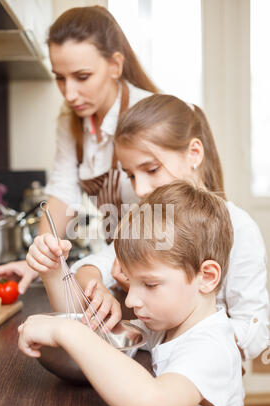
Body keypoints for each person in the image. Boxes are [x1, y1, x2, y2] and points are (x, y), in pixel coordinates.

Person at [18, 181, 244, 406]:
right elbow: (90, 330)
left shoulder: (212, 346)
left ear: (206, 277)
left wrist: (65, 330)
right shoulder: (165, 324)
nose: (131, 299)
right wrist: (54, 271)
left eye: (149, 284)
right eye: (129, 280)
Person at [61, 94, 268, 360]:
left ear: (194, 153)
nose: (140, 189)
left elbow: (255, 332)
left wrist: (171, 313)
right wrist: (97, 287)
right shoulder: (153, 217)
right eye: (131, 175)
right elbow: (90, 267)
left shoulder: (239, 228)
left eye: (152, 169)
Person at [0, 5, 158, 301]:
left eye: (82, 76)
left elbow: (169, 219)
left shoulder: (150, 115)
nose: (68, 93)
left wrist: (94, 269)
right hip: (120, 265)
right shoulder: (73, 123)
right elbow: (62, 193)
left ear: (115, 65)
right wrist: (42, 258)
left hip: (157, 267)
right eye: (60, 77)